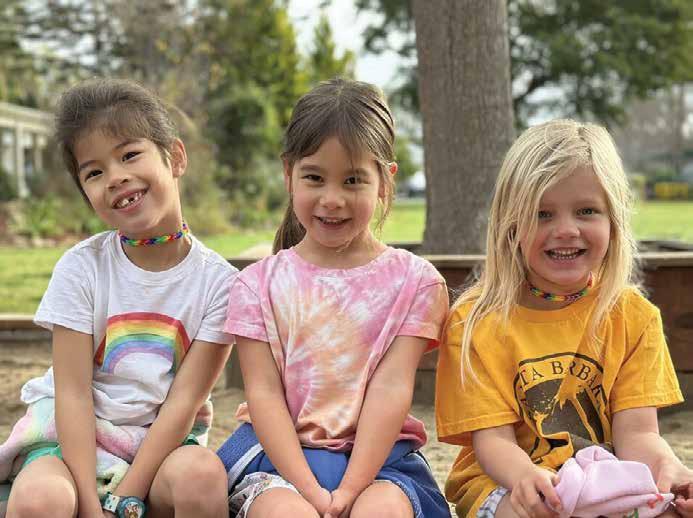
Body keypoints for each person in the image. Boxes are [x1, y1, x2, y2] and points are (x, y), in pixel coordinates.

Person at [216, 78, 451, 518]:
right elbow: (264, 394)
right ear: (288, 174)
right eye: (314, 177)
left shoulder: (415, 283)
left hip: (382, 464)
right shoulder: (256, 286)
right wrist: (310, 490)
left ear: (385, 181)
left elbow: (391, 389)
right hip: (278, 461)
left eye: (353, 180)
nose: (332, 199)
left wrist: (349, 490)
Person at [435, 119, 693, 518]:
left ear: (614, 221)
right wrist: (527, 477)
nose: (567, 230)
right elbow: (493, 442)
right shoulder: (474, 322)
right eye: (542, 214)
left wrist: (668, 469)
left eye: (587, 211)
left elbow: (639, 434)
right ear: (511, 225)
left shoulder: (634, 316)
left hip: (602, 477)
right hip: (505, 479)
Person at [0, 78, 234, 518]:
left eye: (129, 155)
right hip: (70, 442)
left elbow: (183, 402)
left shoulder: (220, 284)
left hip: (161, 446)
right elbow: (72, 394)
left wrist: (124, 499)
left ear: (176, 157)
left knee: (202, 475)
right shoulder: (82, 268)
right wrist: (93, 507)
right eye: (94, 172)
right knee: (39, 499)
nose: (116, 177)